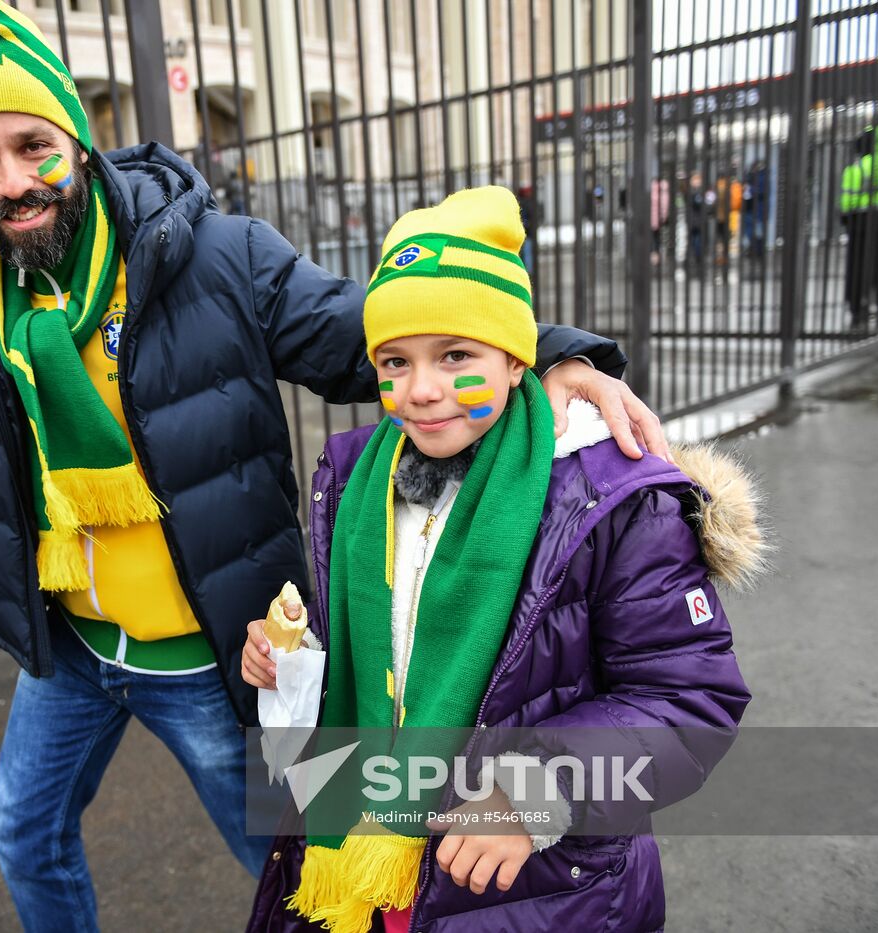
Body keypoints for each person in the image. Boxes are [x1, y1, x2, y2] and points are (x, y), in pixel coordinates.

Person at [0, 3, 668, 930]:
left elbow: (380, 334)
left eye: (32, 146)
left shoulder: (216, 257)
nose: (11, 181)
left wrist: (550, 352)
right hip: (71, 648)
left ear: (78, 142)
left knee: (297, 864)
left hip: (211, 655)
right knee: (22, 833)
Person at [244, 187, 759, 932]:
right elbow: (376, 658)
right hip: (367, 869)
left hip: (533, 893)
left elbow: (688, 699)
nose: (422, 390)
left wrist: (535, 793)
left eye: (456, 355)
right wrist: (291, 662)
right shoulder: (356, 481)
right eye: (395, 360)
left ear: (519, 360)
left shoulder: (608, 498)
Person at [839, 125, 878, 331]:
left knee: (857, 267)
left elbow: (847, 201)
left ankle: (858, 312)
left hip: (861, 222)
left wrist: (846, 220)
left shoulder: (856, 168)